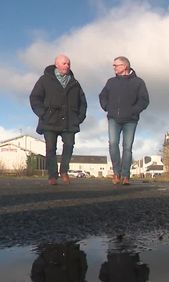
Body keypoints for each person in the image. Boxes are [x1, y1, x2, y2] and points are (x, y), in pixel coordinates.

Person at [30, 54, 87, 185]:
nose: (67, 66)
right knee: (50, 149)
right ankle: (52, 175)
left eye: (68, 64)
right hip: (49, 120)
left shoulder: (75, 82)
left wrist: (79, 117)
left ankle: (64, 171)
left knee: (69, 145)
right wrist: (42, 113)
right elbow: (35, 98)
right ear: (56, 64)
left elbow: (83, 102)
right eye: (64, 63)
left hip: (69, 120)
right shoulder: (44, 80)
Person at [99, 56, 149, 185]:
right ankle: (116, 173)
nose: (114, 67)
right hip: (113, 119)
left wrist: (134, 111)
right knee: (113, 144)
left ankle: (126, 176)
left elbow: (144, 100)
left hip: (131, 120)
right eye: (113, 65)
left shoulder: (138, 82)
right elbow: (102, 95)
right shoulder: (111, 82)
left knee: (127, 147)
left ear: (125, 66)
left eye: (116, 65)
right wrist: (106, 106)